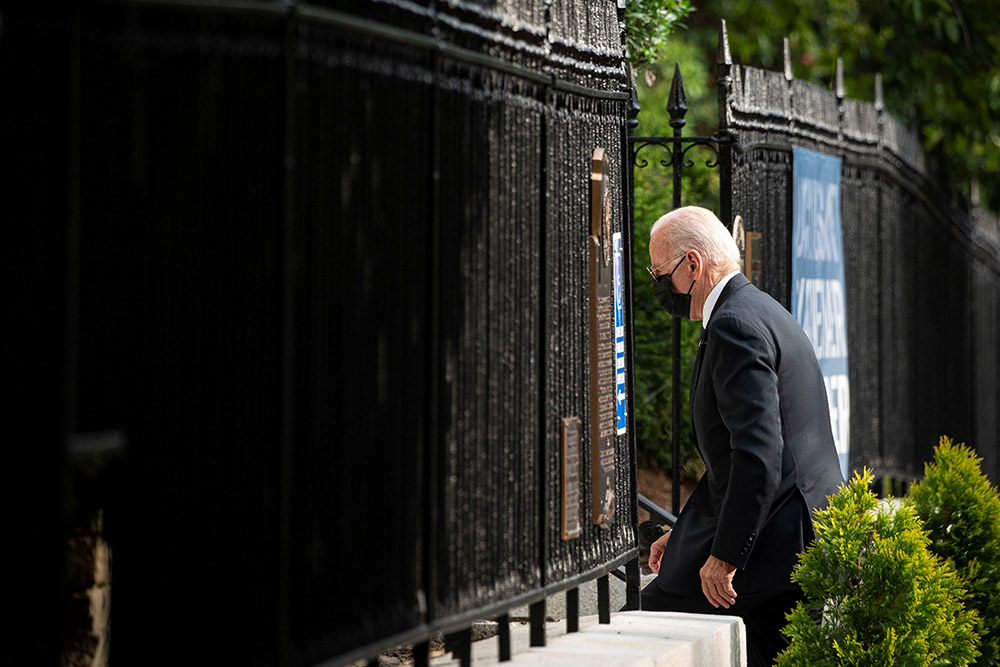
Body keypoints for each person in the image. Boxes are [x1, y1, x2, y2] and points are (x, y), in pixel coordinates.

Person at [640, 206, 844, 666]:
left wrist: (724, 556)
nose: (660, 287)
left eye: (661, 273)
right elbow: (736, 465)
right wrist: (687, 536)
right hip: (798, 535)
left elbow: (757, 455)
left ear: (692, 264)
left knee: (647, 626)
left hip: (774, 545)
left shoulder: (734, 324)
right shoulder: (761, 310)